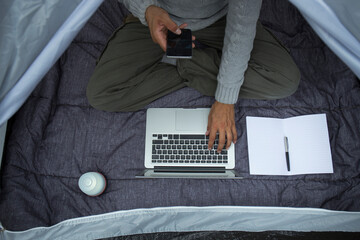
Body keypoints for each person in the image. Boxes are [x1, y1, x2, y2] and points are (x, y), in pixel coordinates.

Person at [87, 0, 300, 153]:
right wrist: (146, 10)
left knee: (285, 80)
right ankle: (198, 62)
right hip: (159, 17)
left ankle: (179, 60)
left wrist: (225, 98)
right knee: (102, 94)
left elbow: (242, 25)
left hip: (222, 20)